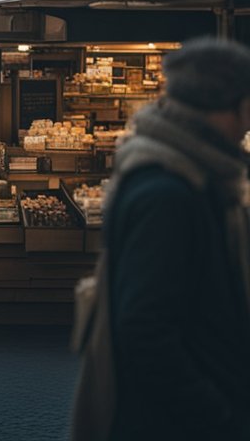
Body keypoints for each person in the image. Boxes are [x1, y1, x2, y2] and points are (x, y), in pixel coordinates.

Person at [71, 39, 250, 440]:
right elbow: (145, 330)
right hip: (175, 421)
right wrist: (217, 416)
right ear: (228, 106)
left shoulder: (194, 176)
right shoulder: (168, 191)